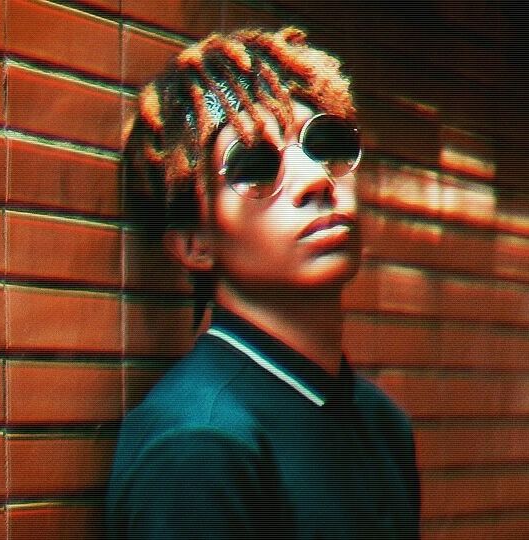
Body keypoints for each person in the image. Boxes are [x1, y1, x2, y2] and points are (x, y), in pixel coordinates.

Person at [106, 27, 420, 539]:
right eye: (254, 166)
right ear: (194, 244)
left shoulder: (382, 424)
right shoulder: (199, 443)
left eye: (326, 143)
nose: (317, 180)